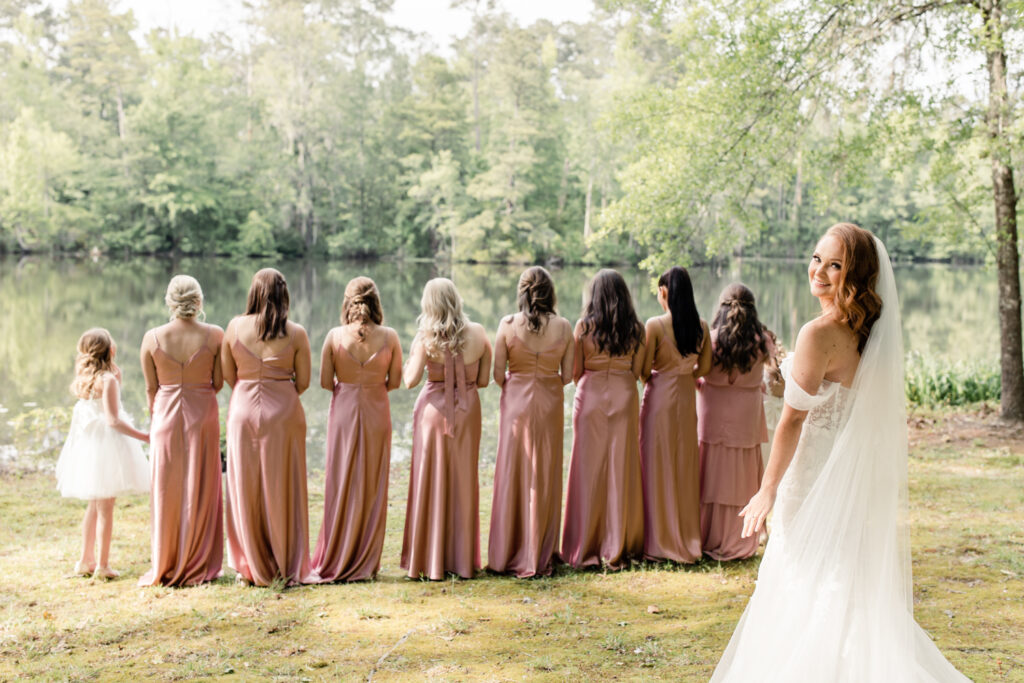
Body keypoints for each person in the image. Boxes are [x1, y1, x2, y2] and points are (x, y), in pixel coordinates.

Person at [712, 223, 969, 681]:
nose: (819, 271)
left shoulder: (818, 333)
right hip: (851, 472)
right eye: (817, 259)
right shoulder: (870, 332)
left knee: (803, 576)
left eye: (835, 265)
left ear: (856, 276)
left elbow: (793, 420)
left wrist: (767, 489)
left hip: (813, 473)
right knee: (841, 580)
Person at [221, 268, 315, 587]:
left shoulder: (234, 327)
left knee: (244, 486)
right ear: (284, 294)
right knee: (283, 484)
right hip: (284, 413)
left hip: (243, 411)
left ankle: (247, 565)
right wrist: (279, 391)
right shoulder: (297, 333)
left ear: (253, 292)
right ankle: (284, 560)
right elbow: (303, 381)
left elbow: (228, 375)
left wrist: (250, 388)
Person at [312, 277, 402, 582]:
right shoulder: (390, 337)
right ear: (376, 302)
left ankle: (337, 552)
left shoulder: (334, 336)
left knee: (341, 479)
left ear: (347, 302)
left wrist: (350, 385)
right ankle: (366, 560)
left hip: (344, 411)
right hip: (377, 410)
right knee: (372, 482)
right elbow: (395, 381)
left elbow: (326, 382)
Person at [401, 278, 491, 580]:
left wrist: (411, 357)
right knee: (464, 478)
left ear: (429, 304)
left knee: (431, 478)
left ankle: (430, 559)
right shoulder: (479, 333)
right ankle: (461, 560)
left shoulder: (425, 338)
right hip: (467, 411)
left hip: (432, 414)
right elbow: (483, 381)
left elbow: (410, 381)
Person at [138, 275, 225, 587]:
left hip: (165, 416)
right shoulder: (215, 335)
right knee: (201, 485)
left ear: (169, 301)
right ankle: (198, 559)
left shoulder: (152, 338)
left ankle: (168, 559)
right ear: (198, 301)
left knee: (167, 488)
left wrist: (159, 415)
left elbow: (151, 388)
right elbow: (218, 382)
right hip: (202, 415)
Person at [488, 266, 574, 578]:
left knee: (514, 471)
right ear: (550, 293)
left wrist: (520, 382)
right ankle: (541, 550)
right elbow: (568, 375)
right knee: (545, 472)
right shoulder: (564, 326)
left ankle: (509, 551)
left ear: (522, 292)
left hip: (516, 404)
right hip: (549, 403)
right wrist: (545, 380)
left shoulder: (507, 324)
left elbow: (498, 374)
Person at [561, 269, 646, 570]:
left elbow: (575, 372)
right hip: (624, 395)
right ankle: (619, 542)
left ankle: (586, 542)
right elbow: (637, 372)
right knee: (621, 468)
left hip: (591, 398)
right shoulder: (637, 329)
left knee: (588, 468)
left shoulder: (583, 327)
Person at [56, 328, 149, 580]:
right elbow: (113, 420)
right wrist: (144, 436)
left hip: (90, 448)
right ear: (110, 349)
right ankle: (103, 565)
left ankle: (85, 559)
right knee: (106, 507)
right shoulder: (108, 380)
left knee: (94, 505)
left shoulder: (86, 379)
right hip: (106, 448)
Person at [638, 266, 711, 564]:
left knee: (656, 463)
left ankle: (658, 539)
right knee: (683, 464)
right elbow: (705, 368)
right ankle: (686, 537)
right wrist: (685, 373)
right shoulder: (702, 326)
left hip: (659, 397)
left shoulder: (655, 325)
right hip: (685, 396)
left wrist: (660, 375)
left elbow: (643, 370)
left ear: (664, 291)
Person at [697, 283, 772, 561]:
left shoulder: (710, 339)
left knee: (712, 472)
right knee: (742, 475)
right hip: (746, 415)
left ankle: (710, 534)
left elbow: (699, 374)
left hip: (713, 411)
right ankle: (742, 535)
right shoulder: (762, 341)